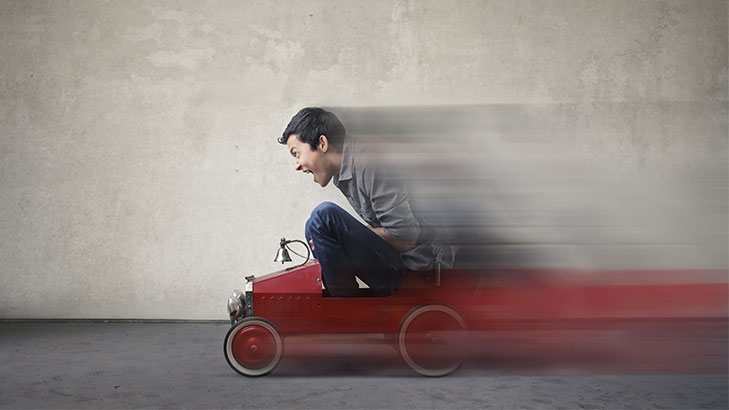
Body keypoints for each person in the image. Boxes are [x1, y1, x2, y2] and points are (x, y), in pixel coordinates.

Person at [278, 107, 455, 297]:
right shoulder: (346, 169)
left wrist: (353, 236)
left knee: (323, 218)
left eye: (297, 154)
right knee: (313, 227)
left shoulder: (370, 161)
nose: (297, 165)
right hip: (402, 265)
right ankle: (343, 305)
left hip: (418, 274)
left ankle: (346, 313)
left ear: (322, 143)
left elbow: (406, 237)